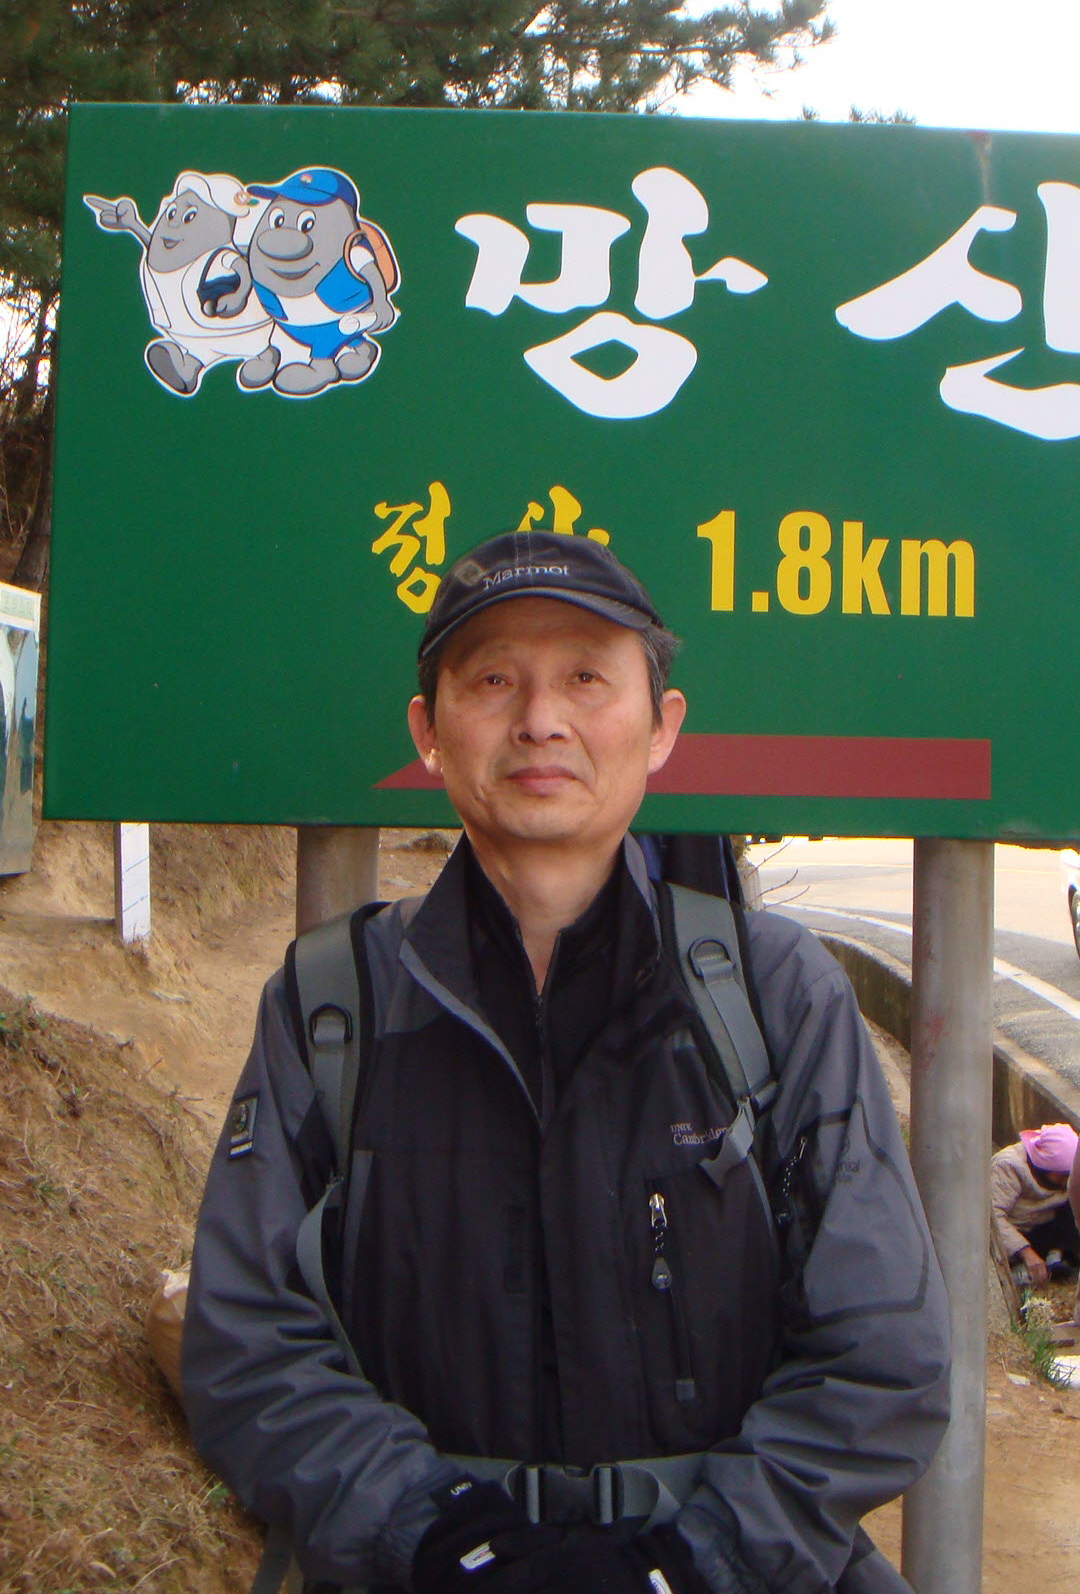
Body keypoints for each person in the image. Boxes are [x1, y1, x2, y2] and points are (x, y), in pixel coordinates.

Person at [183, 530, 950, 1594]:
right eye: (494, 680)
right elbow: (246, 1344)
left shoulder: (772, 994)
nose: (541, 720)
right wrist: (442, 1539)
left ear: (662, 726)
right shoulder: (332, 1003)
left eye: (587, 678)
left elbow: (885, 1352)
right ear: (429, 732)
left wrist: (692, 1563)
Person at [990, 1123, 1080, 1287]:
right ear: (1045, 1165)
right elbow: (993, 1219)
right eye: (1063, 1175)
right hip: (1016, 1231)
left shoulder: (1067, 1178)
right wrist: (1026, 1252)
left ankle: (1058, 1255)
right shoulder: (1009, 1166)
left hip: (1045, 1223)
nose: (1066, 1179)